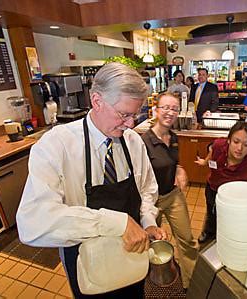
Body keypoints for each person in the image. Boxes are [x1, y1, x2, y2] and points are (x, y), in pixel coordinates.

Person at [16, 62, 167, 298]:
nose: (130, 124)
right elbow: (32, 222)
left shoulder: (133, 142)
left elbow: (147, 189)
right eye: (124, 114)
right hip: (86, 260)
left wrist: (147, 220)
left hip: (133, 252)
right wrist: (115, 223)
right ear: (97, 101)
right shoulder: (57, 145)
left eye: (134, 115)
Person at [141, 92, 198, 289]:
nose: (170, 112)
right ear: (156, 110)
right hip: (151, 201)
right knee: (150, 242)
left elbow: (172, 161)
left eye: (174, 108)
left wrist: (180, 169)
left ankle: (192, 284)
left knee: (188, 241)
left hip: (173, 196)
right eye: (165, 107)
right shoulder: (144, 142)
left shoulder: (173, 137)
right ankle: (150, 278)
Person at [194, 122, 247, 243]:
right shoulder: (219, 145)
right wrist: (205, 162)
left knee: (225, 220)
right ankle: (208, 232)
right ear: (229, 140)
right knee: (211, 212)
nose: (239, 148)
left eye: (246, 145)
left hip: (230, 200)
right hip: (213, 187)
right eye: (236, 141)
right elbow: (212, 153)